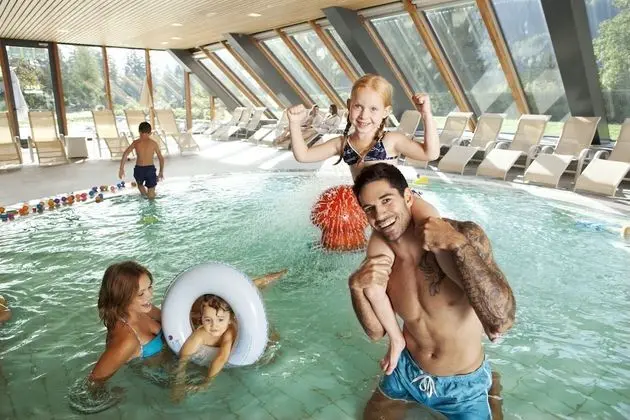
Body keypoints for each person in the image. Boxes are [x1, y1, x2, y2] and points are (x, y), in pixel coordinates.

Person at [288, 74, 442, 374]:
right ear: (349, 106)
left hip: (408, 206)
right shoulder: (342, 144)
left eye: (373, 109)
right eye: (358, 107)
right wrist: (295, 124)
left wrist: (426, 113)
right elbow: (303, 155)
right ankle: (396, 339)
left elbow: (430, 153)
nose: (364, 115)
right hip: (380, 220)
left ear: (386, 112)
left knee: (436, 239)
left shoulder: (391, 140)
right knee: (370, 286)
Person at [349, 163, 515, 420]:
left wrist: (459, 245)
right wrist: (355, 286)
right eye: (369, 209)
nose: (379, 215)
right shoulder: (381, 261)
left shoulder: (462, 235)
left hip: (462, 384)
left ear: (408, 197)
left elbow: (501, 321)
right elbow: (375, 332)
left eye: (387, 200)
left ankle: (490, 384)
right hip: (406, 371)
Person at [171, 269, 287, 402]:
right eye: (208, 320)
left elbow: (222, 357)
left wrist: (207, 382)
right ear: (201, 319)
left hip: (244, 317)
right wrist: (178, 384)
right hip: (217, 307)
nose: (214, 326)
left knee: (273, 344)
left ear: (230, 319)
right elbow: (184, 357)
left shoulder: (229, 331)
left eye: (220, 320)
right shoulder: (201, 334)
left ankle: (272, 276)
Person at [118, 122, 165, 199]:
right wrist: (161, 171)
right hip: (150, 169)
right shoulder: (153, 143)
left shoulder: (136, 142)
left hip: (139, 169)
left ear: (139, 132)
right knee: (151, 190)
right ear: (150, 133)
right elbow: (161, 158)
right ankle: (150, 199)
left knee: (140, 185)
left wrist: (121, 169)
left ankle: (144, 195)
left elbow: (125, 154)